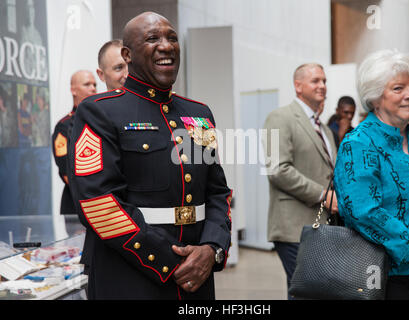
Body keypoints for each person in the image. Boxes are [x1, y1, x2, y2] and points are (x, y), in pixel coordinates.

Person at [67, 12, 232, 300]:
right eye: (153, 38)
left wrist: (211, 249)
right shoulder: (100, 112)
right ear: (128, 55)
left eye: (172, 38)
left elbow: (218, 192)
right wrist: (173, 262)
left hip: (198, 279)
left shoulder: (199, 115)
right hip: (133, 277)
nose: (166, 46)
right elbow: (99, 204)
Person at [334, 49, 409, 300]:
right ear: (375, 97)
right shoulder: (359, 144)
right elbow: (363, 210)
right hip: (384, 277)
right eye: (398, 88)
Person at [262, 63, 338, 299]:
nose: (322, 86)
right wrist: (323, 195)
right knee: (305, 295)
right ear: (298, 86)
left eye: (324, 81)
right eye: (316, 81)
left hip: (323, 228)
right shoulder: (279, 117)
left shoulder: (324, 129)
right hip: (293, 228)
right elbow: (277, 169)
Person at [52, 70, 97, 232]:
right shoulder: (63, 126)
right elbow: (66, 171)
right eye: (87, 84)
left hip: (106, 207)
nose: (93, 88)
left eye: (94, 84)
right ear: (73, 90)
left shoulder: (103, 122)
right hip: (76, 205)